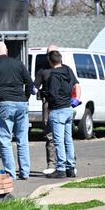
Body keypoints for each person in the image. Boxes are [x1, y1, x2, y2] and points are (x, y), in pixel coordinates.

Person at [0, 42, 34, 180]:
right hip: (21, 103)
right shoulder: (18, 64)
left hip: (4, 103)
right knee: (22, 139)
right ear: (7, 51)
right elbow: (29, 82)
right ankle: (25, 172)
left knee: (5, 140)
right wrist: (26, 97)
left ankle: (10, 173)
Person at [46, 51, 81, 179]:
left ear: (50, 61)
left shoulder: (53, 75)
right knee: (68, 140)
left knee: (58, 141)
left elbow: (53, 94)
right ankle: (70, 167)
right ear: (60, 60)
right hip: (68, 108)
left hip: (58, 109)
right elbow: (75, 85)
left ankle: (60, 168)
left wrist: (47, 96)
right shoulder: (67, 71)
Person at [34, 44, 60, 175]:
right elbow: (35, 87)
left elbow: (75, 84)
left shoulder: (65, 70)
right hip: (48, 105)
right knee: (49, 135)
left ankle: (66, 164)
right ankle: (51, 164)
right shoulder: (42, 70)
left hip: (63, 105)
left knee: (64, 136)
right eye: (50, 53)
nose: (51, 55)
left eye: (54, 52)